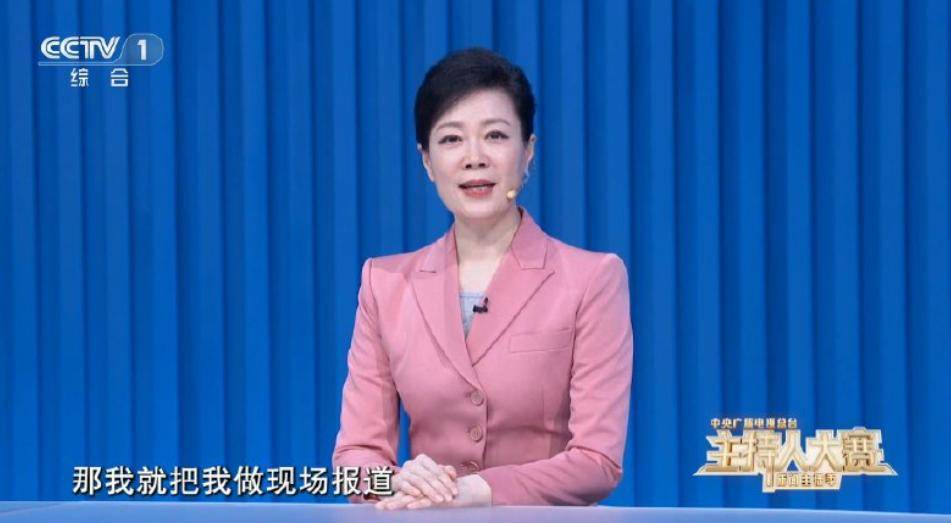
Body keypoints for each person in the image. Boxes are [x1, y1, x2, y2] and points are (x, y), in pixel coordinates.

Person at [332, 47, 633, 509]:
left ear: (528, 151)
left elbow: (597, 462)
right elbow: (354, 460)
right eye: (452, 139)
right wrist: (397, 483)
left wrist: (480, 490)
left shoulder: (592, 280)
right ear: (427, 161)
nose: (474, 158)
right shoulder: (384, 284)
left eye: (495, 135)